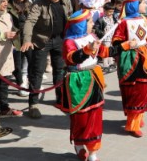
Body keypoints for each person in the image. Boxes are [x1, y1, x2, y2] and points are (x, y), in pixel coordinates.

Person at [57, 10, 133, 161]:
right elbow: (72, 59)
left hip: (94, 78)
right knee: (81, 117)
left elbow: (104, 52)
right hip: (78, 82)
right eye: (90, 21)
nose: (93, 23)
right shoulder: (69, 42)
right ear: (80, 24)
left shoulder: (92, 36)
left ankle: (93, 152)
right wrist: (87, 49)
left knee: (95, 116)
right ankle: (79, 144)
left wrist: (124, 46)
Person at [21, 0, 73, 119]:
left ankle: (60, 99)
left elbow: (71, 17)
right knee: (37, 71)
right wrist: (27, 40)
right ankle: (33, 104)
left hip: (60, 39)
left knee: (60, 69)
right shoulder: (39, 3)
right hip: (42, 41)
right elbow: (30, 21)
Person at [111, 0, 147, 137]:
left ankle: (139, 116)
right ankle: (132, 124)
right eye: (142, 2)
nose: (145, 5)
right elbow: (115, 43)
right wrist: (127, 45)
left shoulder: (144, 19)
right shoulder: (123, 23)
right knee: (133, 90)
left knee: (142, 88)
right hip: (130, 59)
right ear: (134, 5)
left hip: (144, 58)